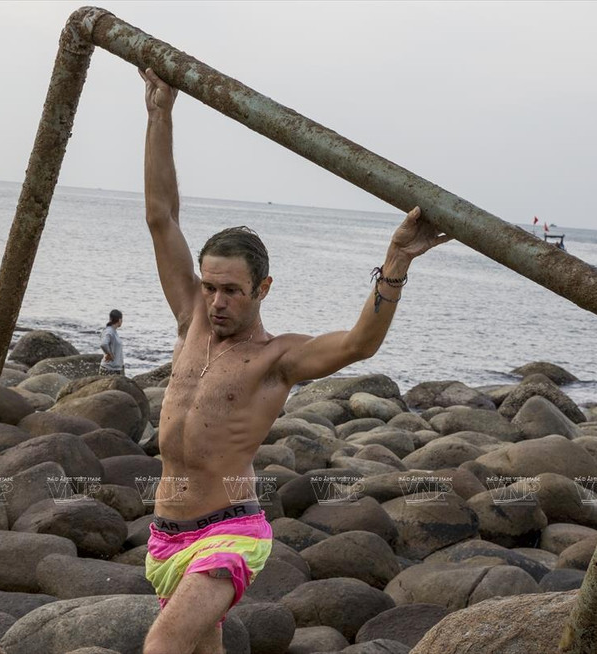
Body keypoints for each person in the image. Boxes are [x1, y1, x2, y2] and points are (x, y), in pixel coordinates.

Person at [137, 68, 451, 654]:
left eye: (232, 290)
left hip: (228, 532)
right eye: (209, 286)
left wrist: (397, 260)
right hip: (165, 540)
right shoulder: (191, 321)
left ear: (263, 289)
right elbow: (162, 217)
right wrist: (160, 112)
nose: (217, 301)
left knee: (162, 648)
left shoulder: (276, 359)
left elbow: (360, 342)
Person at [99, 309, 124, 376]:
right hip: (109, 369)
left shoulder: (113, 331)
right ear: (119, 320)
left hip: (115, 368)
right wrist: (109, 354)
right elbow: (103, 344)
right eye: (122, 319)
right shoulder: (109, 331)